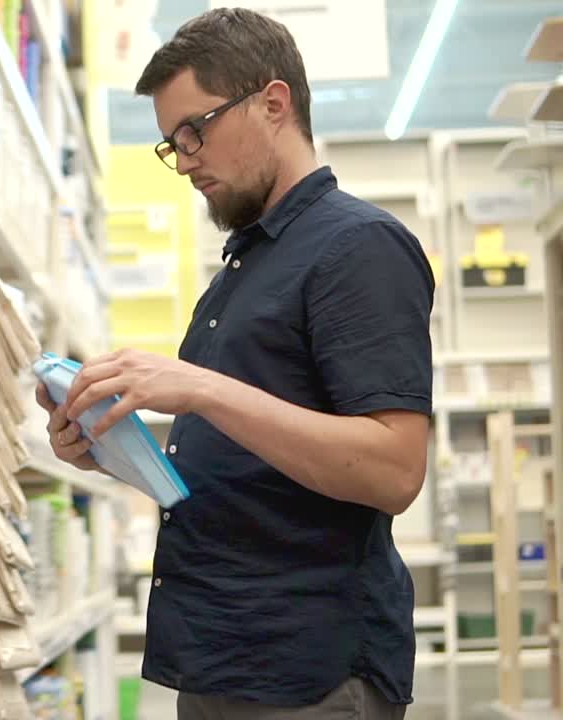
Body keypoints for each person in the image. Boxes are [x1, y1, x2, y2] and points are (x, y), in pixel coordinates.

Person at [36, 8, 434, 720]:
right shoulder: (241, 273)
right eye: (172, 143)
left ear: (274, 103)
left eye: (196, 129)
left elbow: (394, 470)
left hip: (308, 675)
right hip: (222, 658)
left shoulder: (358, 247)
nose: (185, 158)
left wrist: (201, 388)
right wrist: (110, 452)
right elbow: (249, 472)